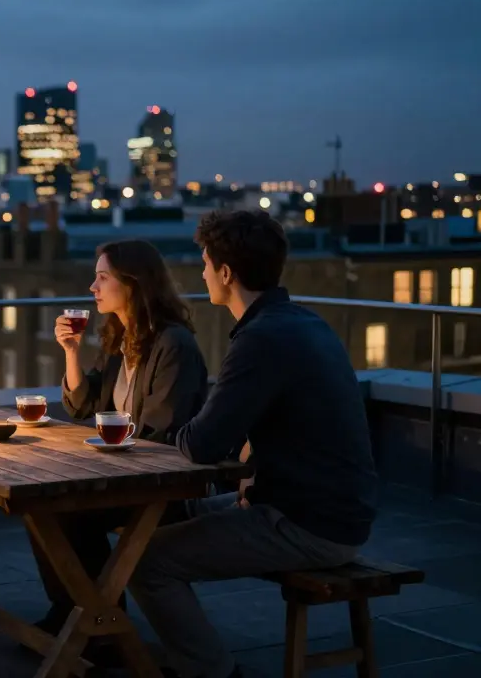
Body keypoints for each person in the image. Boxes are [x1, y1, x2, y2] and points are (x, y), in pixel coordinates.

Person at [130, 209, 379, 678]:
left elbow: (201, 444)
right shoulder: (304, 323)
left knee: (146, 560)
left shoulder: (260, 339)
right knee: (162, 518)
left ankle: (214, 672)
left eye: (205, 264)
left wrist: (179, 426)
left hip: (309, 525)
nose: (201, 273)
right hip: (329, 507)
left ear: (226, 273)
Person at [29, 239, 210, 640]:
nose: (93, 287)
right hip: (126, 473)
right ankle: (75, 613)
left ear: (132, 283)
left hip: (165, 484)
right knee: (41, 506)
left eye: (102, 277)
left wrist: (96, 459)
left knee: (65, 511)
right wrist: (71, 353)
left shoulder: (173, 345)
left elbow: (161, 434)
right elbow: (83, 406)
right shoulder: (120, 341)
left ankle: (98, 627)